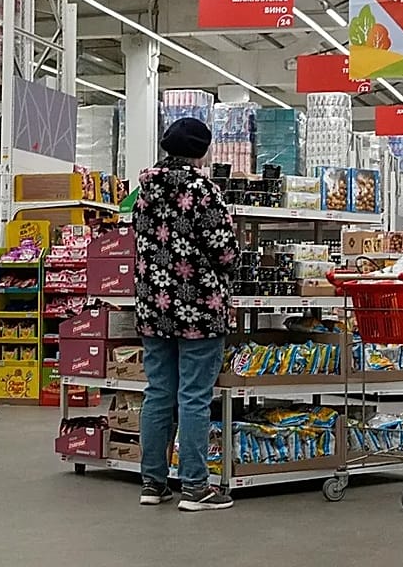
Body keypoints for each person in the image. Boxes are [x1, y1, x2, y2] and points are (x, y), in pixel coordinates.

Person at [131, 118, 239, 511]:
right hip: (198, 307)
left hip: (154, 306)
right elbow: (224, 250)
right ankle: (195, 486)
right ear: (201, 149)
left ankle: (152, 482)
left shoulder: (144, 191)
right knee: (194, 395)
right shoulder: (202, 190)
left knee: (158, 393)